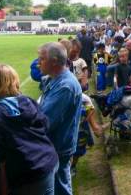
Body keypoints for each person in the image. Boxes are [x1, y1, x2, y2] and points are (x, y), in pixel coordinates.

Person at [0, 64, 58, 195]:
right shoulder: (28, 101)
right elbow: (45, 125)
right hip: (49, 161)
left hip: (30, 174)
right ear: (15, 82)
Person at [38, 42, 82, 195]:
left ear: (54, 61)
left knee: (60, 188)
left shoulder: (65, 86)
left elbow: (44, 121)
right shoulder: (56, 79)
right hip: (59, 145)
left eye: (41, 59)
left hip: (59, 146)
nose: (38, 63)